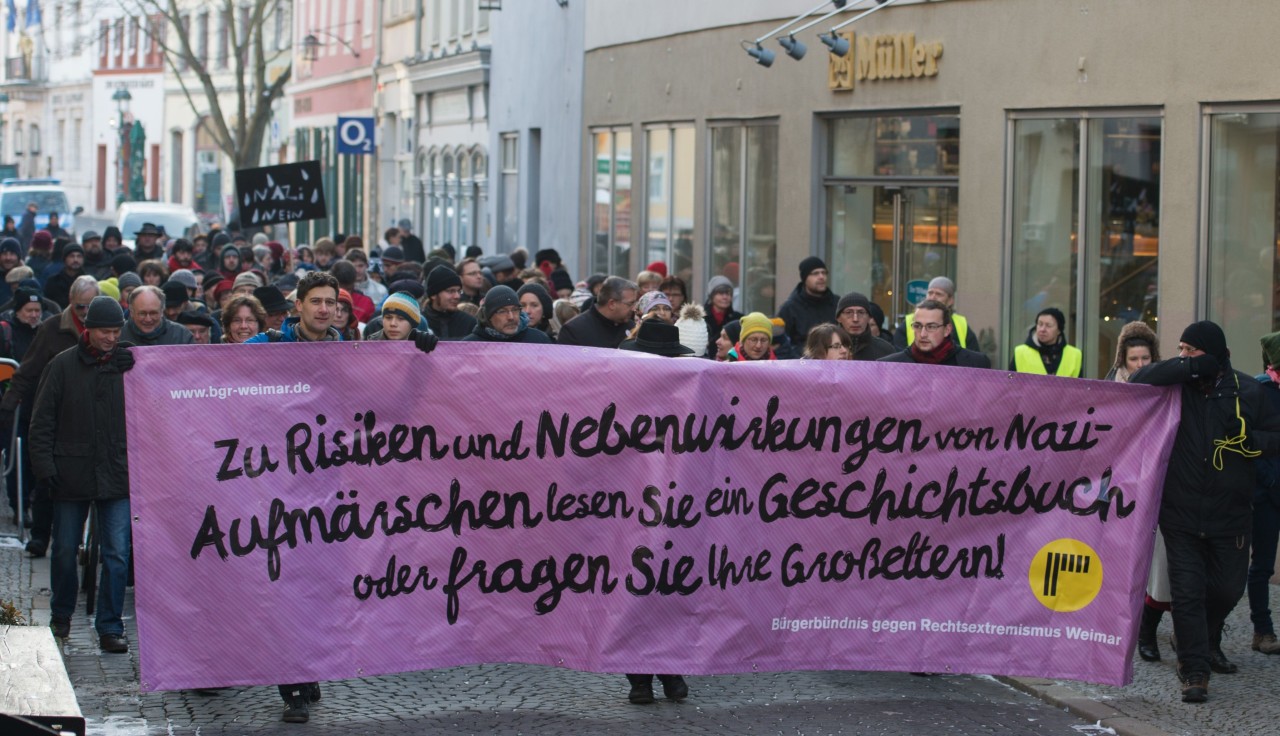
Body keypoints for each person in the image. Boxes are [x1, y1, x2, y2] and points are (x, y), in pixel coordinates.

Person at [241, 270, 434, 723]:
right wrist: (139, 367)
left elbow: (392, 405)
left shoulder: (351, 353)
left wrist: (418, 358)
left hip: (331, 490)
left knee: (322, 588)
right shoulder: (266, 348)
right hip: (277, 488)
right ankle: (292, 682)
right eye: (316, 302)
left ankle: (308, 666)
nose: (325, 309)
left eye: (332, 302)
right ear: (299, 305)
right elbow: (212, 377)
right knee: (286, 587)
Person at [1129, 321, 1280, 703]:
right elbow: (1139, 378)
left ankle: (1201, 637)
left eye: (1190, 350)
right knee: (1187, 595)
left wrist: (1250, 441)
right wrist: (1191, 366)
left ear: (1214, 352)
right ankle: (1194, 671)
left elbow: (1276, 436)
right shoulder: (1176, 387)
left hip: (1230, 515)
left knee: (1228, 589)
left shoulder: (1248, 391)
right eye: (1179, 349)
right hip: (1180, 514)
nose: (1182, 356)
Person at [30, 296, 135, 651]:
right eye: (105, 331)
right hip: (70, 472)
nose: (111, 338)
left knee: (118, 553)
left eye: (116, 331)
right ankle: (61, 618)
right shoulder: (61, 366)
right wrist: (45, 468)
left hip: (117, 472)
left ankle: (110, 625)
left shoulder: (128, 363)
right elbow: (41, 421)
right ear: (88, 330)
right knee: (63, 550)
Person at [1100, 322, 1168, 662]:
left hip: (1155, 485)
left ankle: (1147, 630)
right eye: (1133, 359)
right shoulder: (1111, 391)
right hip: (1119, 488)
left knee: (1155, 564)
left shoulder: (1166, 392)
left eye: (1145, 359)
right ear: (1122, 361)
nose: (1140, 366)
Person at [1249, 331, 1280, 656]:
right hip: (1268, 495)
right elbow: (1252, 445)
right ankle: (1263, 630)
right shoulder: (1261, 390)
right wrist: (1269, 481)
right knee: (1262, 566)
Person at [879, 300, 992, 368]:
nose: (923, 334)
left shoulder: (976, 363)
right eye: (917, 326)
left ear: (947, 330)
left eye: (931, 327)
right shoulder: (890, 365)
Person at [776, 256, 839, 354]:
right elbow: (782, 344)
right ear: (804, 278)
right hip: (802, 364)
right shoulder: (790, 308)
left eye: (824, 272)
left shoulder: (837, 303)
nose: (821, 277)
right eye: (815, 273)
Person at [895, 276, 977, 350]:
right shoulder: (909, 321)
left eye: (939, 294)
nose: (933, 297)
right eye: (930, 293)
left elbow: (972, 358)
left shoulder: (961, 324)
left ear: (951, 300)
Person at [557, 277, 636, 349]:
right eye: (630, 304)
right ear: (612, 304)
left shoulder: (632, 328)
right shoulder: (574, 331)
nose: (634, 308)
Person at [464, 285, 553, 344]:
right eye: (502, 311)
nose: (511, 317)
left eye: (515, 310)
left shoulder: (538, 340)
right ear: (488, 316)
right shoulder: (470, 346)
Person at [1010, 307, 1082, 377]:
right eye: (1040, 324)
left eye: (1048, 325)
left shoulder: (1074, 355)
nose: (1042, 329)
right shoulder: (1020, 352)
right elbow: (1010, 385)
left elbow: (1080, 387)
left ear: (1059, 330)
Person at [120, 285, 195, 346]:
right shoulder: (118, 335)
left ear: (162, 311)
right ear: (131, 312)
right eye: (142, 313)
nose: (148, 319)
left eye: (153, 313)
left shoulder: (181, 336)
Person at [423, 265, 478, 340]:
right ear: (433, 295)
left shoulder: (469, 323)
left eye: (459, 291)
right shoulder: (419, 323)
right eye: (450, 291)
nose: (457, 296)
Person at [834, 292, 895, 361]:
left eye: (861, 312)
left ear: (869, 317)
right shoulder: (826, 347)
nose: (855, 319)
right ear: (838, 318)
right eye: (849, 312)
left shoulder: (885, 350)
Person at [702, 276, 741, 359]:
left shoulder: (738, 319)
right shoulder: (700, 318)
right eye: (720, 293)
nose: (725, 297)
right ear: (711, 296)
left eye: (728, 293)